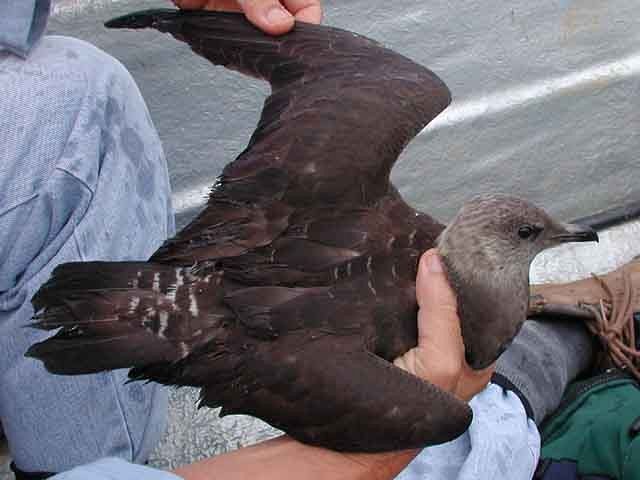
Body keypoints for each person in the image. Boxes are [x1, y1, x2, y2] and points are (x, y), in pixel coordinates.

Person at [1, 0, 596, 478]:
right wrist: (387, 445)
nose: (565, 233)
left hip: (183, 294)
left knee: (402, 85)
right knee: (452, 425)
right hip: (204, 326)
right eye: (529, 232)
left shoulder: (382, 133)